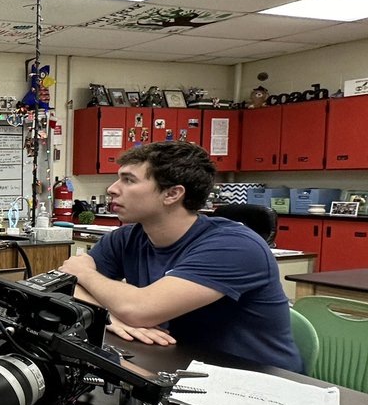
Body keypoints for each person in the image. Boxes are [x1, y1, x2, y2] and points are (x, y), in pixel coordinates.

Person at [59, 141, 303, 372]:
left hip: (257, 384)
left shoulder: (235, 246)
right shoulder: (127, 237)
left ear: (172, 194)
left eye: (128, 180)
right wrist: (108, 314)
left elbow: (138, 308)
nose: (112, 189)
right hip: (180, 365)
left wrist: (83, 272)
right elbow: (62, 287)